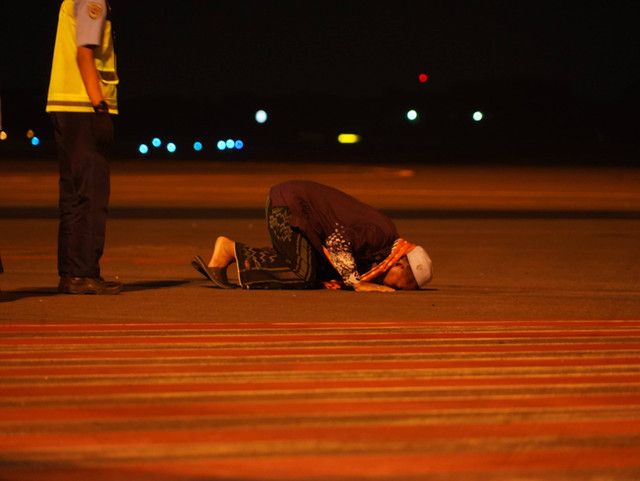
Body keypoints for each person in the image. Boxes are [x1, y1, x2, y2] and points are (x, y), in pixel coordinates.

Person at [192, 180, 433, 291]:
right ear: (401, 264)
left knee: (315, 272)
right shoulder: (381, 235)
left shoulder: (382, 249)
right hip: (289, 208)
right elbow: (337, 242)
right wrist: (356, 283)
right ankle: (228, 251)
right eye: (408, 284)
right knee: (303, 274)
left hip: (295, 210)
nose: (403, 290)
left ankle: (231, 252)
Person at [46, 0, 121, 294]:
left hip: (63, 105)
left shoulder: (71, 2)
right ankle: (83, 272)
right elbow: (85, 54)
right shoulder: (93, 1)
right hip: (83, 106)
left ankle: (70, 272)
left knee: (72, 194)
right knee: (92, 193)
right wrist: (100, 108)